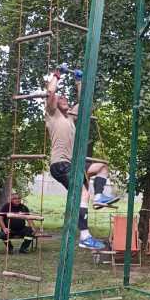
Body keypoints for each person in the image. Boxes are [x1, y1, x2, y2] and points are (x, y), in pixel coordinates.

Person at [45, 65, 119, 250]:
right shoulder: (53, 115)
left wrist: (79, 82)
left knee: (101, 167)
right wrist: (57, 74)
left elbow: (86, 104)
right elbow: (50, 92)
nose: (64, 98)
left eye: (65, 98)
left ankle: (99, 196)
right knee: (82, 194)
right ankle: (84, 237)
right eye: (60, 98)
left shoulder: (70, 118)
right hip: (60, 165)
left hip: (73, 165)